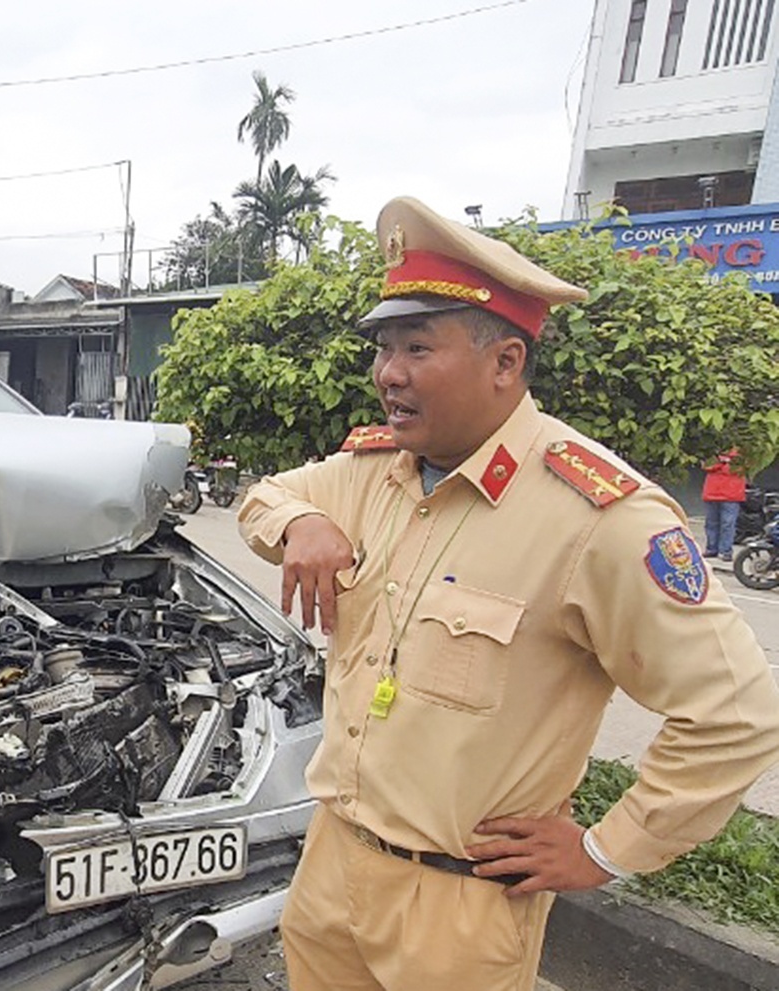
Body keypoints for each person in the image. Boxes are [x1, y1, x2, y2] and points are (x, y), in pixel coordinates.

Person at [238, 196, 779, 991]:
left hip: (459, 907)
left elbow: (735, 715)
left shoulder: (598, 517)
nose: (389, 373)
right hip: (331, 868)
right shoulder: (371, 473)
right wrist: (302, 523)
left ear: (505, 363)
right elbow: (263, 499)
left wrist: (608, 848)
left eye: (418, 346)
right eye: (384, 348)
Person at [702, 449, 747, 561]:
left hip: (731, 494)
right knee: (711, 523)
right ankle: (712, 549)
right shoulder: (714, 448)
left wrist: (720, 463)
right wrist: (725, 463)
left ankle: (725, 551)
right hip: (712, 493)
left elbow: (739, 468)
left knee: (728, 524)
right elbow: (706, 466)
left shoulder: (744, 450)